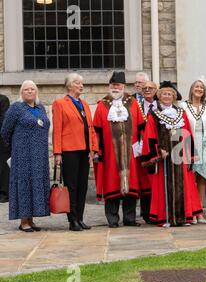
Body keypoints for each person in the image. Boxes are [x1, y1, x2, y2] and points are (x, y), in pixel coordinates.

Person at [141, 81, 203, 226]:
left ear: (174, 96)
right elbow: (149, 135)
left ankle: (184, 217)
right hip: (165, 157)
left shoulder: (181, 113)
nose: (167, 96)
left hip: (180, 156)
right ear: (159, 96)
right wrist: (158, 150)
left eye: (169, 94)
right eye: (164, 94)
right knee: (163, 187)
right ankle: (165, 218)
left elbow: (187, 132)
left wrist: (190, 154)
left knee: (184, 187)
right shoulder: (154, 115)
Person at [93, 71, 145, 228]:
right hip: (110, 153)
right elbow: (96, 130)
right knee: (112, 184)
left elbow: (142, 126)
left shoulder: (133, 103)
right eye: (113, 85)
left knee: (132, 186)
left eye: (119, 85)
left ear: (123, 86)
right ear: (110, 87)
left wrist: (142, 145)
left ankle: (129, 218)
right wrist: (97, 150)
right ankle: (113, 219)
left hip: (131, 153)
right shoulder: (102, 105)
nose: (116, 87)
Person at [1, 80, 50, 232]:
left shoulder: (40, 107)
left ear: (36, 92)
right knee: (24, 186)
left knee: (35, 185)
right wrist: (17, 147)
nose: (29, 92)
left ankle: (31, 219)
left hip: (39, 156)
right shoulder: (16, 108)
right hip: (22, 155)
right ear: (21, 93)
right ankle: (24, 221)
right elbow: (5, 132)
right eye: (26, 89)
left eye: (32, 89)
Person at [52, 73, 99, 231]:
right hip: (69, 150)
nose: (81, 85)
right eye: (78, 83)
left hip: (85, 150)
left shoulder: (84, 104)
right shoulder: (60, 103)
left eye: (82, 83)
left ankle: (80, 218)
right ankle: (72, 221)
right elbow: (57, 129)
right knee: (71, 186)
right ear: (70, 85)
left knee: (83, 186)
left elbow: (90, 128)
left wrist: (93, 148)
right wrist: (57, 153)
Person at [180, 80, 206, 224]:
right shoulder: (183, 105)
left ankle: (200, 211)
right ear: (191, 89)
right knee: (191, 178)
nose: (199, 89)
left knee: (202, 178)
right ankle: (191, 211)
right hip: (190, 143)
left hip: (205, 144)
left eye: (201, 87)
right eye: (196, 87)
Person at [137, 80, 158, 224]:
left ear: (156, 90)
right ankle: (145, 212)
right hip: (140, 148)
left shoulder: (161, 105)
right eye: (145, 88)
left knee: (156, 181)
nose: (147, 90)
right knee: (144, 181)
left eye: (151, 88)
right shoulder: (136, 106)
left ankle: (156, 211)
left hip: (156, 148)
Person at [0, 94, 10, 203]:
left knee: (3, 167)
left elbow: (3, 120)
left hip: (2, 140)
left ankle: (4, 193)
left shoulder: (3, 99)